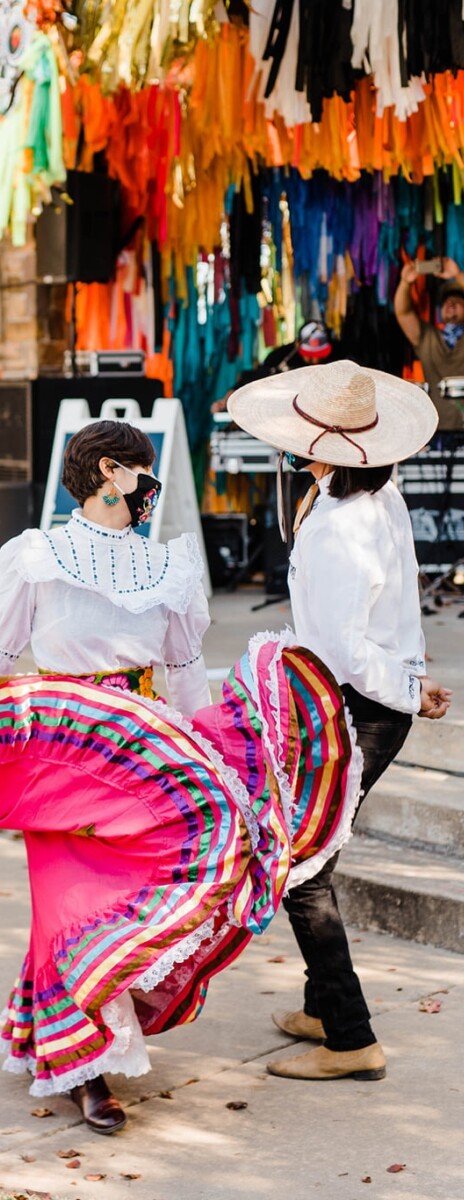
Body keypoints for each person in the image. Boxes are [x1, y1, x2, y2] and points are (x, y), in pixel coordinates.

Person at [0, 418, 361, 1134]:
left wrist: (219, 758)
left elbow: (185, 670)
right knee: (69, 907)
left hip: (153, 759)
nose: (152, 487)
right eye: (143, 470)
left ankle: (68, 1031)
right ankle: (87, 1067)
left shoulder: (168, 563)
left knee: (133, 906)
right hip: (64, 753)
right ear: (110, 471)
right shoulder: (37, 555)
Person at [228, 360, 451, 1082]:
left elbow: (344, 652)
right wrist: (412, 682)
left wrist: (409, 692)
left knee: (301, 866)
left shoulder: (337, 530)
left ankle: (351, 1037)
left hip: (352, 710)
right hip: (373, 699)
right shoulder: (380, 497)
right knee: (316, 853)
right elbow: (396, 607)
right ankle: (325, 1007)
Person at [394, 258, 464, 430]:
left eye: (458, 301)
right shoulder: (428, 337)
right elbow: (403, 313)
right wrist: (405, 283)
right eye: (447, 301)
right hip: (437, 430)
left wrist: (457, 275)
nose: (451, 303)